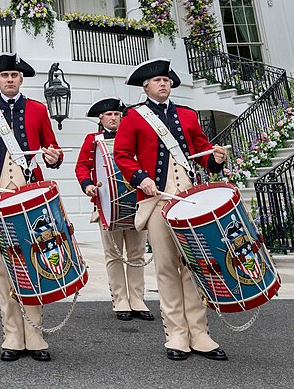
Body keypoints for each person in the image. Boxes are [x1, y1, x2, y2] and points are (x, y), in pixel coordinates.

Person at [113, 59, 228, 362]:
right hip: (157, 203)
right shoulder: (134, 117)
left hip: (189, 203)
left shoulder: (187, 115)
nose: (163, 84)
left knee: (194, 268)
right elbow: (122, 155)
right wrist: (141, 178)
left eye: (166, 80)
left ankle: (199, 333)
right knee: (166, 269)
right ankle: (176, 333)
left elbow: (201, 152)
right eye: (157, 81)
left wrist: (215, 159)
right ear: (145, 86)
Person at [0, 53, 63, 363]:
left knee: (34, 267)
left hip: (32, 202)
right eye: (4, 76)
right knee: (5, 271)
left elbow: (54, 151)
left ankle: (35, 334)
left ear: (21, 79)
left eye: (15, 75)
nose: (9, 80)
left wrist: (52, 157)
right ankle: (12, 335)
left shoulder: (37, 110)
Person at [75, 97, 152, 321]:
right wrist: (87, 184)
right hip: (107, 206)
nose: (114, 118)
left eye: (117, 114)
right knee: (114, 255)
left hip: (137, 204)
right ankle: (120, 300)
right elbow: (82, 167)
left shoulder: (135, 137)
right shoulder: (93, 140)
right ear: (100, 118)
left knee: (137, 254)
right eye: (109, 115)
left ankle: (137, 299)